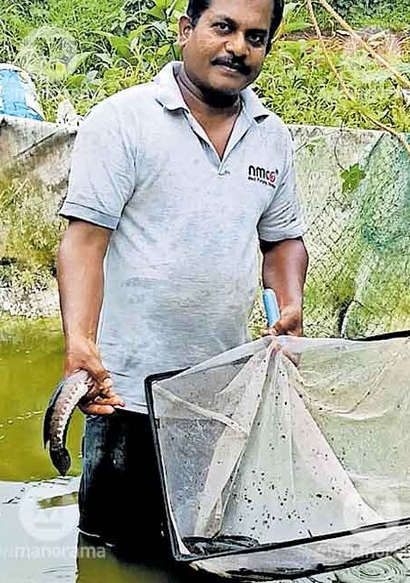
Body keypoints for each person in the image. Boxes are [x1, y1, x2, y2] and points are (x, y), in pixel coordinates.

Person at [55, 0, 307, 558]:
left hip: (220, 387)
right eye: (224, 27)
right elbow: (83, 242)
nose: (238, 47)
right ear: (186, 28)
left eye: (255, 36)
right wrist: (80, 343)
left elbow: (282, 240)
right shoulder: (122, 120)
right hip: (124, 389)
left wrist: (289, 303)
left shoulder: (271, 136)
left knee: (201, 543)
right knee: (113, 553)